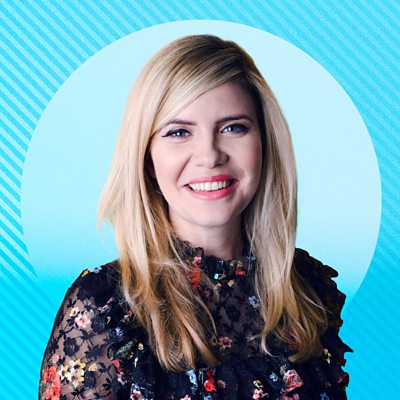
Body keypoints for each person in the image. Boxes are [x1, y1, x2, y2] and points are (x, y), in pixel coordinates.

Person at [39, 34, 352, 400]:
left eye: (233, 127)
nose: (209, 155)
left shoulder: (309, 290)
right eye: (179, 132)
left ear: (265, 144)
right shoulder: (104, 309)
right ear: (147, 159)